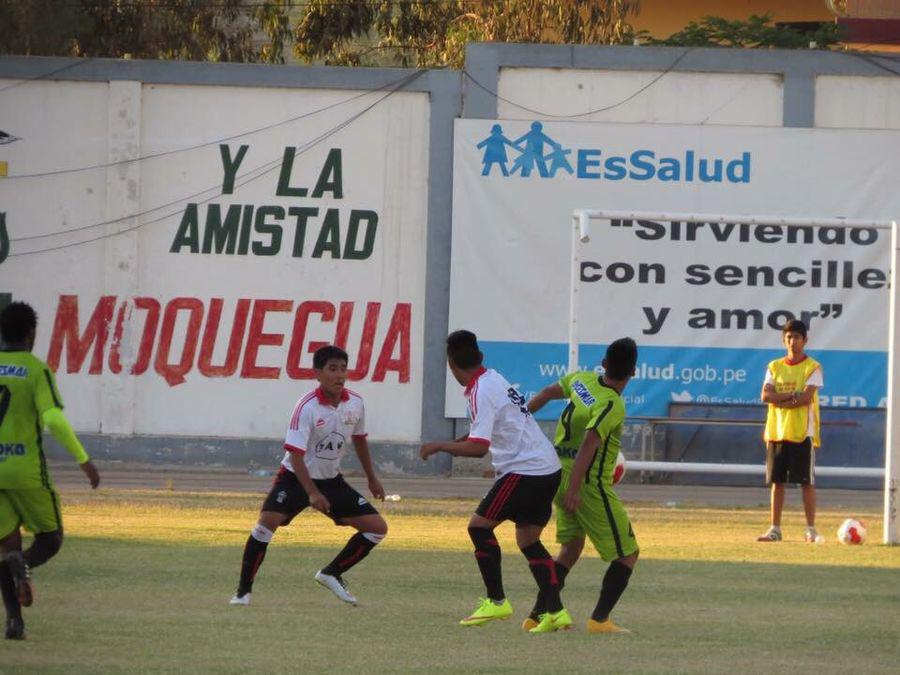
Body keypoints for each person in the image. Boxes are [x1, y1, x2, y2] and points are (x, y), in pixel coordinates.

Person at [420, 330, 569, 633]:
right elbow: (480, 433)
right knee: (529, 541)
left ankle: (497, 602)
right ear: (481, 357)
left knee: (478, 527)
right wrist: (449, 442)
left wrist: (440, 446)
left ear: (451, 365)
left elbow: (478, 448)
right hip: (547, 468)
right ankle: (556, 612)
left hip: (525, 470)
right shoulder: (495, 378)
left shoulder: (480, 391)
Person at [230, 345, 387, 607]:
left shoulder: (356, 403)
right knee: (265, 523)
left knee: (377, 529)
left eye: (343, 369)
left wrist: (372, 477)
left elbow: (359, 440)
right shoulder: (307, 407)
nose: (339, 375)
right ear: (318, 374)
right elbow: (295, 455)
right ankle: (243, 592)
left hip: (331, 481)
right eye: (332, 369)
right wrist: (312, 492)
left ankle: (331, 573)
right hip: (294, 478)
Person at [0, 301, 101, 640]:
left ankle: (15, 622)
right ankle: (22, 566)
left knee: (7, 545)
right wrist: (83, 459)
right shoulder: (36, 369)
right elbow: (53, 418)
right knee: (50, 539)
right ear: (32, 334)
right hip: (26, 470)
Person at [527, 337, 640, 634]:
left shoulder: (582, 379)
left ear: (603, 364)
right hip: (588, 485)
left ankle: (538, 614)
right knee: (628, 553)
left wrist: (521, 418)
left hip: (558, 474)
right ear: (634, 372)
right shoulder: (612, 403)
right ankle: (599, 620)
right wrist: (576, 489)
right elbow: (591, 442)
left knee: (571, 548)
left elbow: (548, 392)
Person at [757, 319, 823, 543]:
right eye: (789, 337)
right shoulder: (774, 366)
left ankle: (811, 530)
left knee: (806, 482)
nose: (792, 342)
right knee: (777, 482)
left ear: (805, 340)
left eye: (796, 337)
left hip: (801, 433)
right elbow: (766, 396)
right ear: (783, 340)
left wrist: (781, 399)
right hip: (777, 431)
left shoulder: (812, 367)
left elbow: (806, 398)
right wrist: (790, 396)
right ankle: (775, 528)